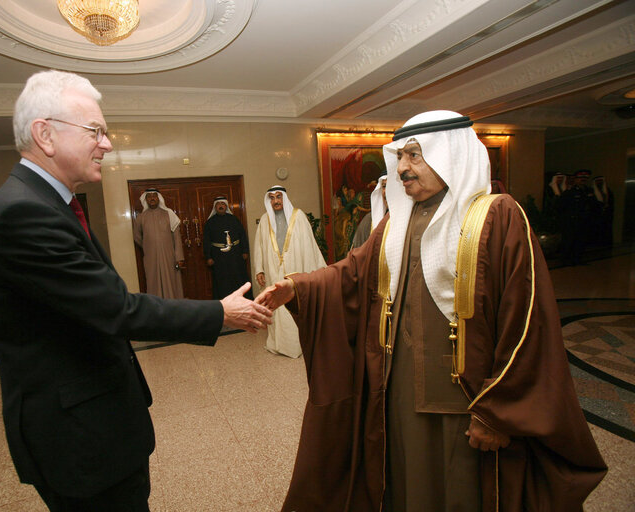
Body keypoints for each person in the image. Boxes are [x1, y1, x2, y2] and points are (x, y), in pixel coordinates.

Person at [256, 111, 606, 511]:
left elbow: (527, 323)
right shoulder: (395, 224)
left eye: (415, 155)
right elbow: (351, 274)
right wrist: (298, 286)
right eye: (400, 157)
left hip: (467, 398)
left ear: (450, 154)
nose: (403, 167)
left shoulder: (497, 216)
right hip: (397, 389)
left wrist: (498, 412)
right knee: (404, 483)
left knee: (458, 490)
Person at [0, 70, 272, 512]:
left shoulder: (45, 204)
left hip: (94, 422)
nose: (107, 144)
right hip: (78, 437)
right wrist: (219, 313)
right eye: (96, 131)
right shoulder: (21, 215)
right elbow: (115, 308)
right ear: (45, 134)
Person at [253, 185, 326, 358]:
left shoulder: (298, 216)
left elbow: (309, 245)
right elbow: (259, 246)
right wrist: (259, 269)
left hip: (295, 268)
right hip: (272, 269)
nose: (276, 201)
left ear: (284, 198)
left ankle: (298, 344)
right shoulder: (265, 220)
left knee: (295, 303)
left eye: (279, 197)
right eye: (272, 198)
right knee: (276, 304)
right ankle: (277, 344)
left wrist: (311, 272)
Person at [133, 188, 185, 298]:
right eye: (149, 196)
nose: (152, 198)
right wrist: (149, 246)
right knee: (153, 280)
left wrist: (179, 257)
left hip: (169, 255)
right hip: (151, 257)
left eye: (154, 196)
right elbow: (137, 237)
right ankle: (156, 307)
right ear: (146, 200)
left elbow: (177, 237)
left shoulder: (169, 214)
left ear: (158, 198)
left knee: (171, 280)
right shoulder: (141, 217)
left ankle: (173, 305)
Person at [203, 196, 252, 300]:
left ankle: (242, 300)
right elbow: (206, 241)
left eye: (223, 204)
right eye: (218, 204)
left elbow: (242, 236)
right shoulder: (210, 223)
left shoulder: (234, 220)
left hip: (236, 255)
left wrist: (245, 251)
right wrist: (208, 257)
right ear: (215, 207)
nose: (221, 206)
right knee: (222, 281)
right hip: (219, 257)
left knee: (238, 278)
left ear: (226, 206)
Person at [559, 169, 594, 265]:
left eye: (584, 178)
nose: (582, 180)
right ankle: (566, 259)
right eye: (580, 178)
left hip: (584, 221)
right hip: (571, 221)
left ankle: (578, 258)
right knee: (569, 240)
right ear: (575, 179)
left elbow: (592, 205)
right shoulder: (570, 192)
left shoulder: (588, 191)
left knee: (581, 241)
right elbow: (562, 206)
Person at [351, 175, 387, 249]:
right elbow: (356, 254)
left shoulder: (408, 219)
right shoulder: (369, 220)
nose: (386, 192)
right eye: (384, 186)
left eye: (391, 186)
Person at [591, 175, 614, 248]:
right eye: (597, 181)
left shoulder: (607, 191)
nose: (599, 182)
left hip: (605, 216)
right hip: (595, 217)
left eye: (601, 181)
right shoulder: (591, 191)